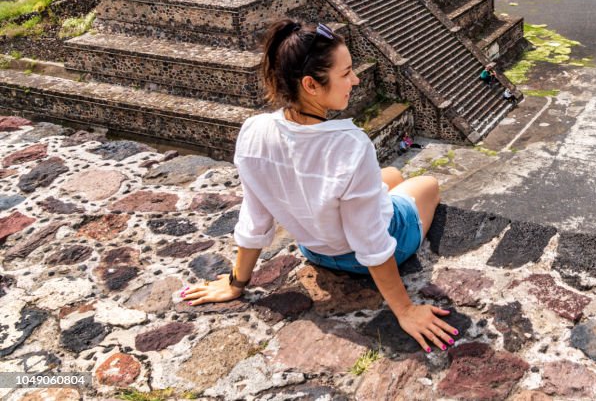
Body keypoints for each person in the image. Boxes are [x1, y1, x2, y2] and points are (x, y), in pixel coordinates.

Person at [181, 20, 457, 353]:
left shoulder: (253, 132)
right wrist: (406, 310)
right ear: (311, 84)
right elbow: (371, 243)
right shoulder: (350, 145)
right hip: (373, 252)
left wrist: (236, 283)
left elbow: (256, 219)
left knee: (391, 178)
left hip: (317, 250)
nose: (355, 80)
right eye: (346, 73)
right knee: (426, 183)